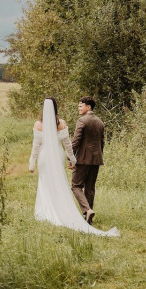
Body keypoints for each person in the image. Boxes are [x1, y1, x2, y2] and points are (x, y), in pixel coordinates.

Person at [29, 98, 119, 237]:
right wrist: (72, 158)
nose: (79, 107)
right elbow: (70, 144)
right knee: (85, 187)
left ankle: (81, 210)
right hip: (85, 158)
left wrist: (32, 162)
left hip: (48, 157)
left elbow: (38, 145)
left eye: (81, 105)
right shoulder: (67, 123)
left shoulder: (39, 124)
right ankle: (87, 215)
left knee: (65, 185)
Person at [70, 96, 104, 224]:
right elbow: (102, 143)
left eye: (81, 106)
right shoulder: (100, 122)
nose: (78, 108)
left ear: (88, 107)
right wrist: (99, 156)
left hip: (83, 159)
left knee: (76, 186)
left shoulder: (82, 121)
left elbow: (76, 141)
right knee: (90, 188)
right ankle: (88, 220)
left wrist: (70, 157)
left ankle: (87, 210)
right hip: (96, 159)